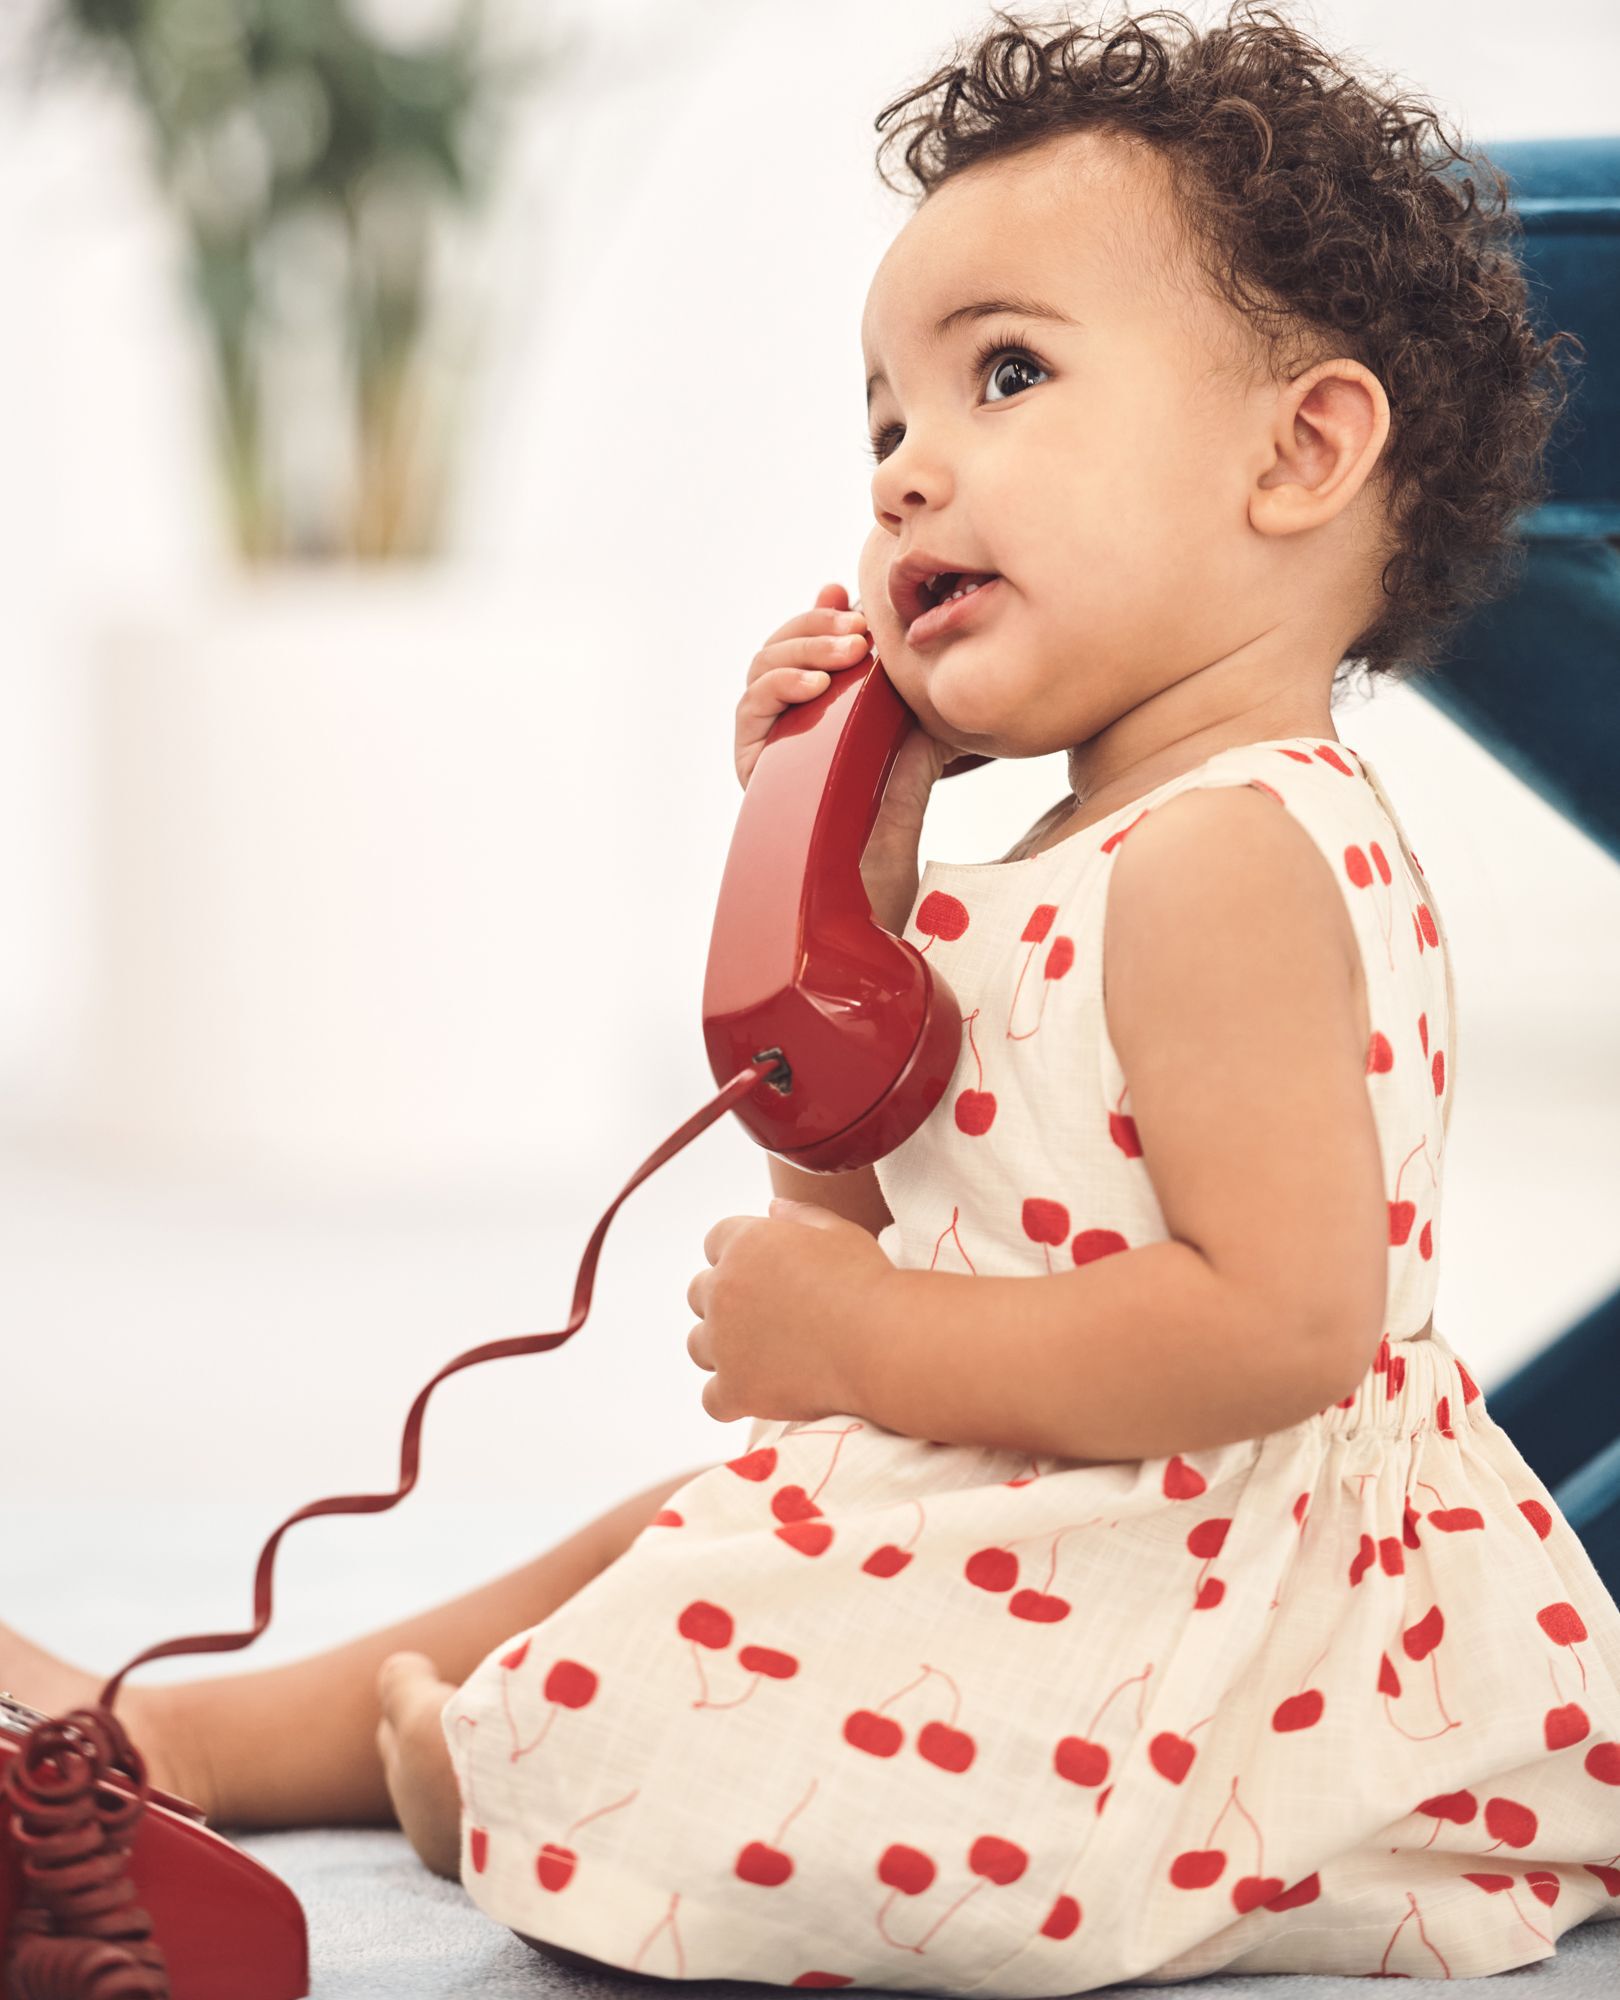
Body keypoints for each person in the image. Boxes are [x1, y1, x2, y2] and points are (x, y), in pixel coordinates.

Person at [5, 3, 1616, 1989]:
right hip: (1058, 1507)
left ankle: (502, 1774)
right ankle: (182, 1740)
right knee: (684, 1537)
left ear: (1298, 452)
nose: (911, 472)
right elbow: (861, 1202)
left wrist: (863, 1338)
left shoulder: (1232, 857)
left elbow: (1282, 1328)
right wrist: (838, 873)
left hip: (1219, 1602)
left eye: (1006, 374)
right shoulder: (1061, 858)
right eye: (883, 426)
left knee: (726, 1678)